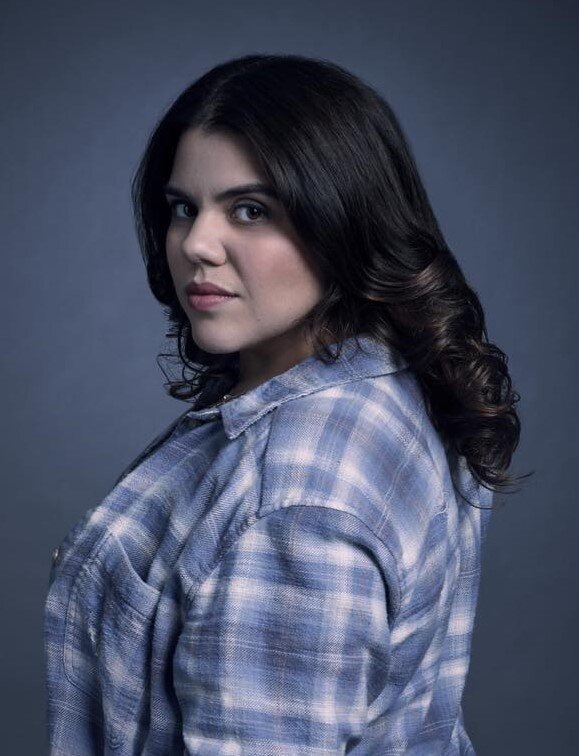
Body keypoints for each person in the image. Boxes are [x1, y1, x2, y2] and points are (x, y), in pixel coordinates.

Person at [44, 53, 530, 754]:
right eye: (183, 208)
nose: (196, 243)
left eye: (251, 210)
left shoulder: (296, 500)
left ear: (343, 221)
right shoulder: (383, 383)